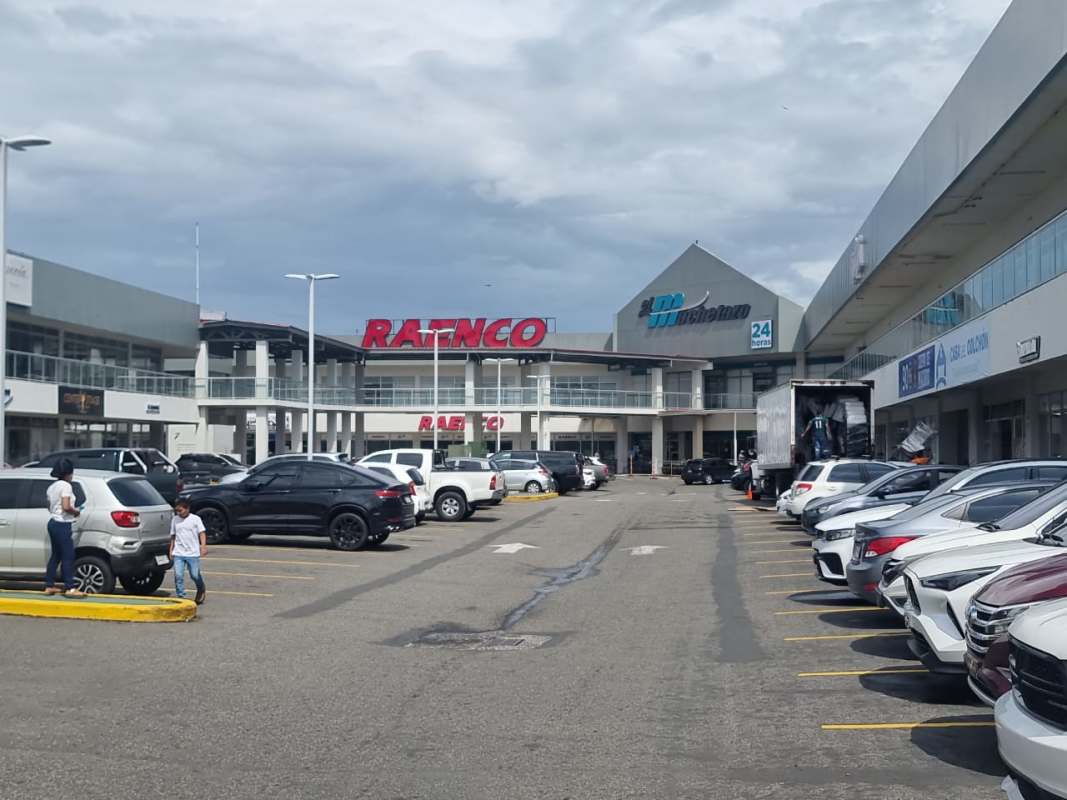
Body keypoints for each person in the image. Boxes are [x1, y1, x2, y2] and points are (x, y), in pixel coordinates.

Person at [45, 458, 84, 597]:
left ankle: (49, 585)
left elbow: (49, 506)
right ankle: (70, 588)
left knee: (56, 555)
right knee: (68, 555)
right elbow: (66, 506)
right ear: (68, 473)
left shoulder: (52, 487)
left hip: (53, 522)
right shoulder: (66, 486)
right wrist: (76, 512)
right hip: (62, 524)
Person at [169, 499, 207, 605]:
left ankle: (201, 588)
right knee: (178, 575)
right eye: (177, 510)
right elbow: (173, 535)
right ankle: (181, 596)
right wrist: (171, 549)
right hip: (178, 553)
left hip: (192, 553)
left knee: (194, 575)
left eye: (180, 510)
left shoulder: (195, 519)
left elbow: (202, 533)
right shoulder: (175, 519)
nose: (178, 513)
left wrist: (203, 546)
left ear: (187, 509)